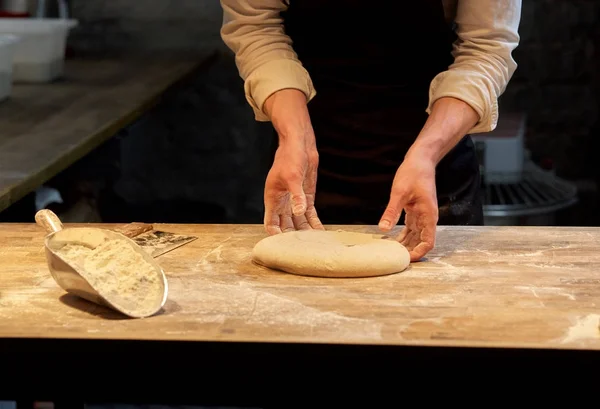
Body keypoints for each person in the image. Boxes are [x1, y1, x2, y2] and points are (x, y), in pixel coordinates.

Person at [219, 0, 521, 261]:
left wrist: (427, 154)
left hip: (433, 171)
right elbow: (255, 26)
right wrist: (295, 136)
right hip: (307, 167)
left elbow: (486, 47)